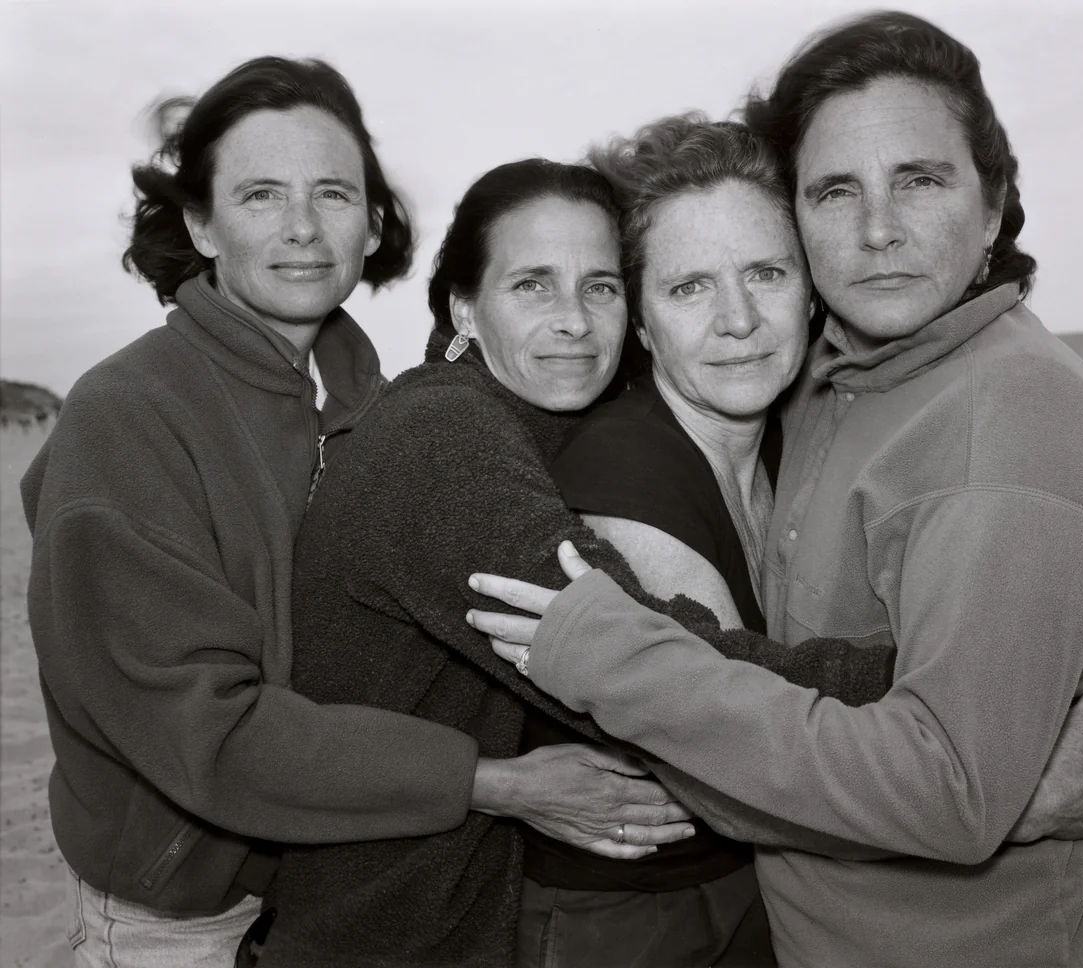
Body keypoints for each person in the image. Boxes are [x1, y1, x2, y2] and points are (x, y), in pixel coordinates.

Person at [469, 13, 1083, 968]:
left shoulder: (1002, 418)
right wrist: (1015, 796)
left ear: (994, 198)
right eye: (836, 190)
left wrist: (993, 801)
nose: (879, 231)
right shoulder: (836, 383)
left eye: (920, 180)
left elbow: (944, 788)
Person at [20, 58, 687, 968]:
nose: (302, 227)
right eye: (261, 194)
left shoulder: (368, 399)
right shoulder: (128, 419)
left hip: (325, 880)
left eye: (333, 193)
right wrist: (493, 783)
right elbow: (207, 730)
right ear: (200, 223)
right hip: (180, 914)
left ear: (372, 225)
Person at [258, 158, 902, 968]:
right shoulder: (440, 439)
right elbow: (657, 661)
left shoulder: (538, 419)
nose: (574, 320)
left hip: (461, 899)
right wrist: (923, 684)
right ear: (463, 306)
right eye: (533, 285)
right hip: (395, 929)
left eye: (600, 286)